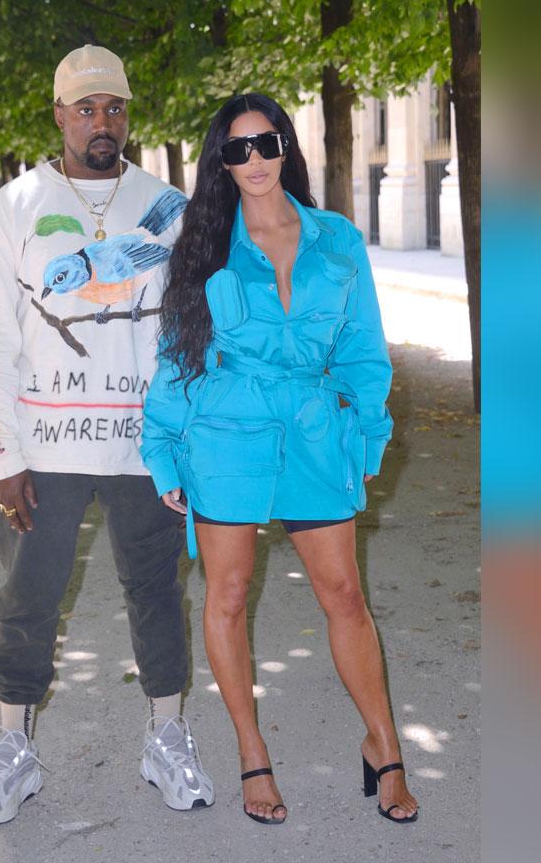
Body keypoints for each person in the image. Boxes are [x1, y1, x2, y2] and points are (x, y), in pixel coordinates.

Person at [141, 93, 419, 825]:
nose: (255, 160)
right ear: (221, 162)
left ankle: (383, 746)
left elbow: (363, 350)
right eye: (237, 149)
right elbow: (177, 357)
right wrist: (163, 451)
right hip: (224, 436)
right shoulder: (203, 245)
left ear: (287, 147)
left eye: (267, 144)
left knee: (345, 596)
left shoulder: (338, 240)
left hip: (316, 432)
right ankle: (250, 751)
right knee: (226, 597)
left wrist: (369, 435)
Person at [0, 45, 212, 825]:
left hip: (147, 448)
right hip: (44, 450)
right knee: (27, 598)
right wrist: (1, 454)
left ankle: (166, 735)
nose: (101, 123)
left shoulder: (167, 204)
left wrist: (190, 437)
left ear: (127, 115)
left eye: (114, 108)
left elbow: (193, 329)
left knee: (157, 596)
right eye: (85, 109)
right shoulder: (16, 205)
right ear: (60, 116)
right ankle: (12, 748)